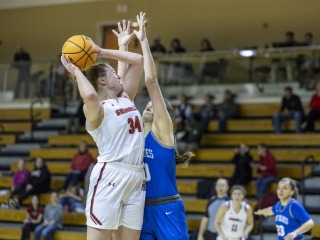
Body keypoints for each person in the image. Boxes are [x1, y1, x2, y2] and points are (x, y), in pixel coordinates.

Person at [60, 19, 145, 240]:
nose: (119, 76)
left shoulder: (126, 98)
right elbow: (89, 95)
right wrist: (76, 70)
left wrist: (105, 50)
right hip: (110, 176)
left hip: (136, 177)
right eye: (113, 75)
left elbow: (138, 61)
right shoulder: (96, 111)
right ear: (101, 80)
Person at [133, 12, 194, 240]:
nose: (148, 107)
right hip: (142, 210)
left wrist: (143, 41)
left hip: (167, 207)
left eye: (153, 105)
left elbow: (151, 81)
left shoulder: (163, 133)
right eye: (146, 104)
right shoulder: (137, 135)